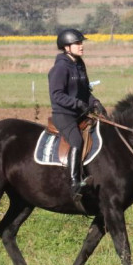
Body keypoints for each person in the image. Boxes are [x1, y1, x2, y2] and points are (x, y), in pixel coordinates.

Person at [48, 28, 105, 198]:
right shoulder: (60, 68)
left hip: (80, 112)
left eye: (81, 43)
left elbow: (85, 91)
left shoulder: (79, 64)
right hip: (64, 114)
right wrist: (77, 103)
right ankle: (75, 182)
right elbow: (56, 95)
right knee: (76, 140)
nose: (81, 46)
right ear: (67, 47)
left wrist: (94, 102)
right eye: (77, 43)